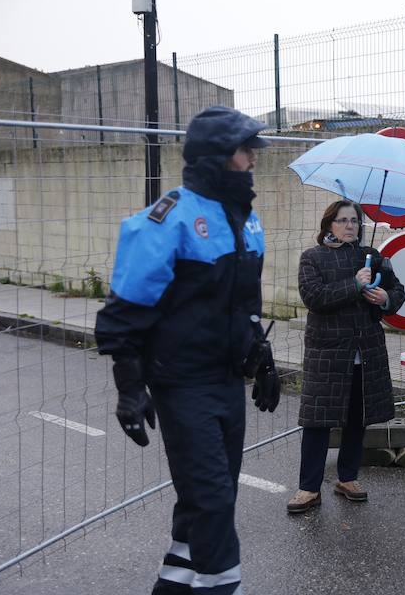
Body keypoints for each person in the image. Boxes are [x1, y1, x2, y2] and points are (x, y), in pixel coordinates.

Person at [95, 106, 280, 594]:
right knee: (214, 502)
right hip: (182, 382)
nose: (253, 159)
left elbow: (245, 305)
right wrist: (130, 388)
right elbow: (125, 313)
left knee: (205, 502)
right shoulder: (169, 219)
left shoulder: (247, 219)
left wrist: (264, 362)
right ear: (219, 156)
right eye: (244, 150)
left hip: (227, 381)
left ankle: (173, 586)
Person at [287, 200, 405, 514]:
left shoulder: (373, 257)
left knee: (357, 417)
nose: (350, 225)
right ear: (329, 224)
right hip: (327, 353)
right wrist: (354, 284)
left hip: (365, 352)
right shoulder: (312, 258)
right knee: (317, 420)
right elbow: (314, 297)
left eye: (354, 220)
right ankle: (308, 488)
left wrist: (385, 298)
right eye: (343, 220)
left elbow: (398, 292)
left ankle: (348, 478)